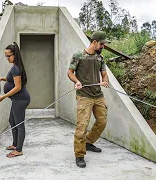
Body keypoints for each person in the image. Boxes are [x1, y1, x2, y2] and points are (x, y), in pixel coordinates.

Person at [67, 31, 110, 168]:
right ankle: (79, 155)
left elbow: (104, 75)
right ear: (94, 42)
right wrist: (77, 81)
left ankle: (89, 142)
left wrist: (104, 81)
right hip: (84, 96)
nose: (103, 46)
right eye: (102, 43)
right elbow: (70, 72)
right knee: (82, 126)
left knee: (102, 121)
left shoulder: (100, 58)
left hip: (98, 95)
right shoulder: (78, 56)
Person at [0, 42, 30, 158]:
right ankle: (15, 144)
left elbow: (18, 87)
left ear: (15, 55)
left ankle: (19, 150)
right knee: (12, 121)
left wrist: (3, 97)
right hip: (17, 99)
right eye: (6, 56)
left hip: (21, 99)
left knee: (19, 124)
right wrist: (3, 78)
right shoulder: (15, 67)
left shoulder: (16, 68)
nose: (7, 58)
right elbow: (12, 80)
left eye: (8, 56)